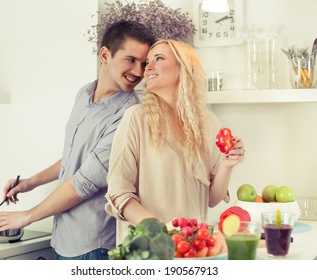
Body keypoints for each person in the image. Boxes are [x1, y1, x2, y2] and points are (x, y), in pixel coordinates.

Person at [0, 21, 156, 260]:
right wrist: (30, 182)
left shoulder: (129, 116)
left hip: (93, 246)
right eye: (131, 60)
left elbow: (85, 181)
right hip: (63, 239)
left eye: (143, 64)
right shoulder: (84, 94)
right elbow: (74, 155)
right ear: (105, 55)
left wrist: (27, 216)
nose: (139, 72)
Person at [105, 39, 245, 245]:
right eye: (147, 63)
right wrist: (161, 231)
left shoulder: (208, 122)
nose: (148, 67)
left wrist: (227, 164)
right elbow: (119, 193)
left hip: (193, 247)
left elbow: (212, 199)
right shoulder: (136, 118)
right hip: (148, 248)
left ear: (184, 68)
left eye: (158, 59)